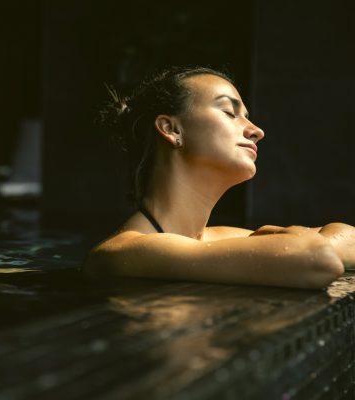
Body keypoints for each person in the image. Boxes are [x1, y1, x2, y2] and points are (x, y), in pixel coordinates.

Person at [83, 66, 355, 289]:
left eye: (246, 117)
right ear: (171, 129)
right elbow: (319, 259)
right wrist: (287, 237)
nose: (256, 130)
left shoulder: (214, 239)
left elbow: (350, 239)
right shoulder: (125, 251)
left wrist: (291, 240)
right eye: (229, 112)